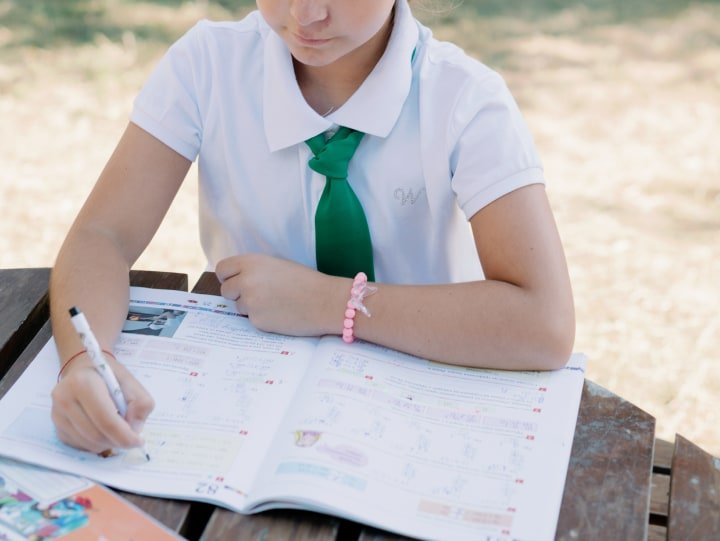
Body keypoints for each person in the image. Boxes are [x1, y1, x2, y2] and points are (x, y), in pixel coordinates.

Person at [49, 0, 575, 453]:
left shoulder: (465, 100)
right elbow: (102, 236)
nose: (305, 14)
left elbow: (544, 323)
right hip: (242, 409)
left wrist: (331, 303)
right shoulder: (208, 66)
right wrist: (84, 361)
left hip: (415, 412)